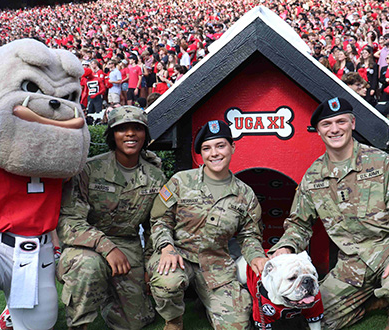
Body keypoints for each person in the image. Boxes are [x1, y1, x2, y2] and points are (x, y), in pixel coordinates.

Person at [269, 97, 389, 330]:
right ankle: (373, 301)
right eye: (327, 124)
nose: (335, 129)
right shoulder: (313, 177)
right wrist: (286, 247)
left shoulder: (380, 163)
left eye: (341, 121)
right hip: (351, 265)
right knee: (315, 321)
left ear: (352, 123)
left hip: (388, 253)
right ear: (318, 130)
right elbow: (298, 224)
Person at [148, 120, 267, 330]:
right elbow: (160, 220)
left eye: (220, 146)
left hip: (216, 263)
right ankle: (173, 319)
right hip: (178, 255)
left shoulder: (245, 194)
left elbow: (249, 236)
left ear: (232, 147)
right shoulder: (181, 181)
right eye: (206, 148)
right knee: (168, 283)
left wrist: (256, 256)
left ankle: (207, 302)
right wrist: (166, 248)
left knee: (237, 325)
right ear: (201, 154)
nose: (214, 153)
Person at [56, 106, 166, 330]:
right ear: (112, 135)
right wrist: (105, 246)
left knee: (135, 323)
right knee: (89, 267)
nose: (130, 134)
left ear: (145, 135)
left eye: (137, 128)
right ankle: (78, 325)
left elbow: (155, 225)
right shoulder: (89, 169)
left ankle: (108, 296)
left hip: (128, 245)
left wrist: (147, 265)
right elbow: (69, 222)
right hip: (86, 246)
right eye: (121, 129)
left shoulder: (155, 176)